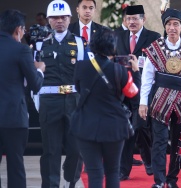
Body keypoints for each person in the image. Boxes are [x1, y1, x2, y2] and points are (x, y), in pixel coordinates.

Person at [139, 8, 181, 188]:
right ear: (165, 27)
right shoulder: (155, 49)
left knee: (178, 142)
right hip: (159, 101)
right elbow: (147, 78)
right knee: (159, 142)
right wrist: (143, 102)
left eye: (176, 24)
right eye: (168, 24)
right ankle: (159, 181)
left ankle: (172, 179)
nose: (172, 28)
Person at [70, 26, 138, 188]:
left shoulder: (81, 67)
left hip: (86, 126)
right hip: (114, 127)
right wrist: (135, 72)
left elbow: (80, 91)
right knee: (113, 172)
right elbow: (132, 94)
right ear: (112, 46)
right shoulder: (119, 70)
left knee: (94, 172)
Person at [39, 0, 87, 187]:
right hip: (49, 101)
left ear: (70, 19)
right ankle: (50, 184)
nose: (59, 21)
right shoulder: (39, 45)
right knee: (50, 150)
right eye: (55, 17)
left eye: (63, 17)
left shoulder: (80, 43)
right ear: (49, 20)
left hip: (74, 100)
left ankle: (71, 179)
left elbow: (86, 74)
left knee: (76, 147)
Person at [0, 9, 45, 188]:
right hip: (14, 118)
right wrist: (40, 69)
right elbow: (35, 84)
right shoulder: (21, 50)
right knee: (15, 165)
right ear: (18, 29)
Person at [116, 5, 161, 181]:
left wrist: (139, 66)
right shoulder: (118, 36)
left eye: (135, 18)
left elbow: (158, 63)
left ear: (143, 19)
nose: (131, 22)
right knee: (124, 130)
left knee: (141, 127)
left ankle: (148, 160)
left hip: (144, 90)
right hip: (122, 90)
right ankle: (123, 170)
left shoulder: (154, 37)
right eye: (128, 19)